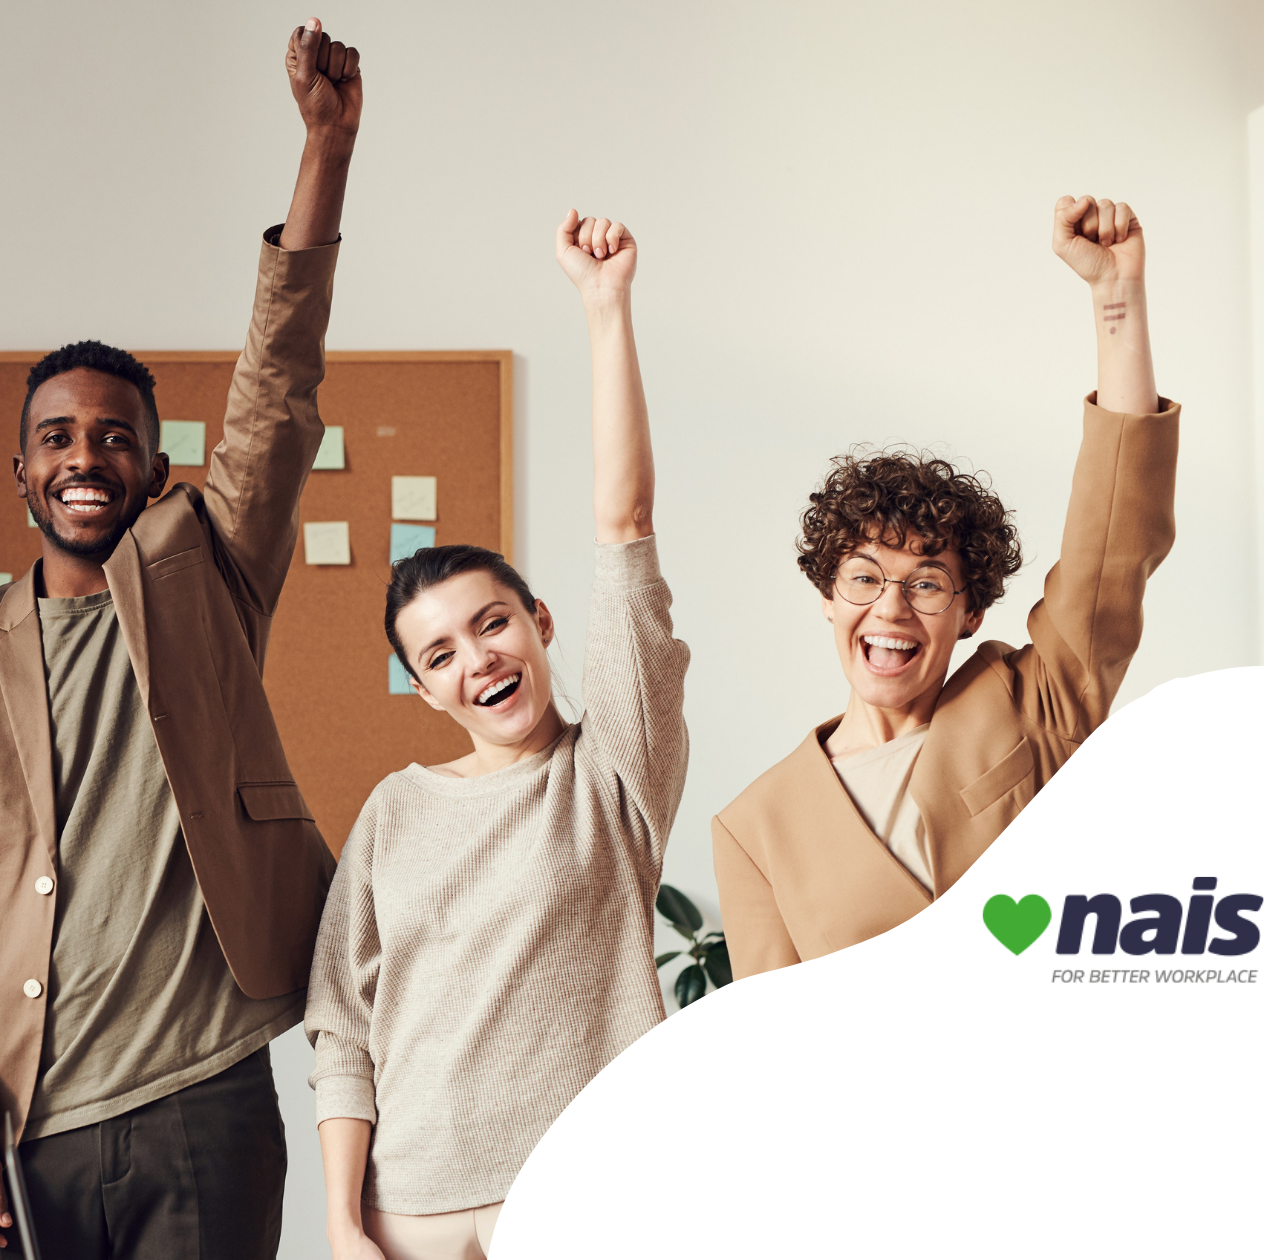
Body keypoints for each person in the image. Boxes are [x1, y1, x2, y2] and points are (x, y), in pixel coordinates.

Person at [0, 20, 359, 1259]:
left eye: (112, 437)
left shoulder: (205, 569)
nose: (84, 456)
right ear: (20, 474)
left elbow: (276, 389)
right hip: (27, 1112)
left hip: (202, 1094)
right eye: (56, 437)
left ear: (153, 467)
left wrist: (324, 153)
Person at [305, 212, 690, 1260]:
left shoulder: (612, 771)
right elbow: (340, 1020)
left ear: (538, 625)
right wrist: (343, 1222)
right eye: (438, 655)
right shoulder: (394, 810)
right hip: (409, 1210)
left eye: (490, 624)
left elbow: (625, 531)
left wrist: (603, 309)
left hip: (583, 1194)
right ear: (425, 689)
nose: (474, 661)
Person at [713, 195, 1178, 977]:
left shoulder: (1030, 703)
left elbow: (1113, 547)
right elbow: (778, 1047)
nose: (889, 609)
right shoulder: (757, 829)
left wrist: (1116, 303)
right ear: (826, 595)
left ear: (970, 611)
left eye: (926, 583)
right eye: (863, 578)